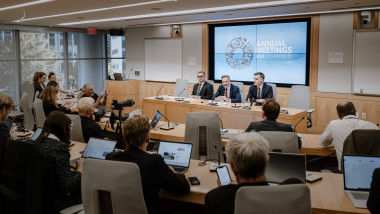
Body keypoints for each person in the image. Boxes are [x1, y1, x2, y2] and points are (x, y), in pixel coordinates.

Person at [106, 115, 190, 214]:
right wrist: (173, 172)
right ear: (147, 138)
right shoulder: (153, 162)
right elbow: (183, 187)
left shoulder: (111, 157)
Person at [204, 132, 302, 214]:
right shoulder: (295, 189)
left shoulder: (216, 198)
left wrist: (224, 190)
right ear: (267, 161)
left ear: (233, 167)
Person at [34, 111, 82, 213]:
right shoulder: (59, 148)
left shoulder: (37, 142)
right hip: (57, 203)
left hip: (39, 199)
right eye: (70, 127)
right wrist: (79, 170)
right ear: (63, 128)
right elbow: (67, 185)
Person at [319, 101, 378, 171]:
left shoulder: (333, 124)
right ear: (355, 112)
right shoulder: (372, 126)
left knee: (321, 165)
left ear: (338, 115)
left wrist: (336, 142)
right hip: (371, 171)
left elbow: (322, 144)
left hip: (345, 172)